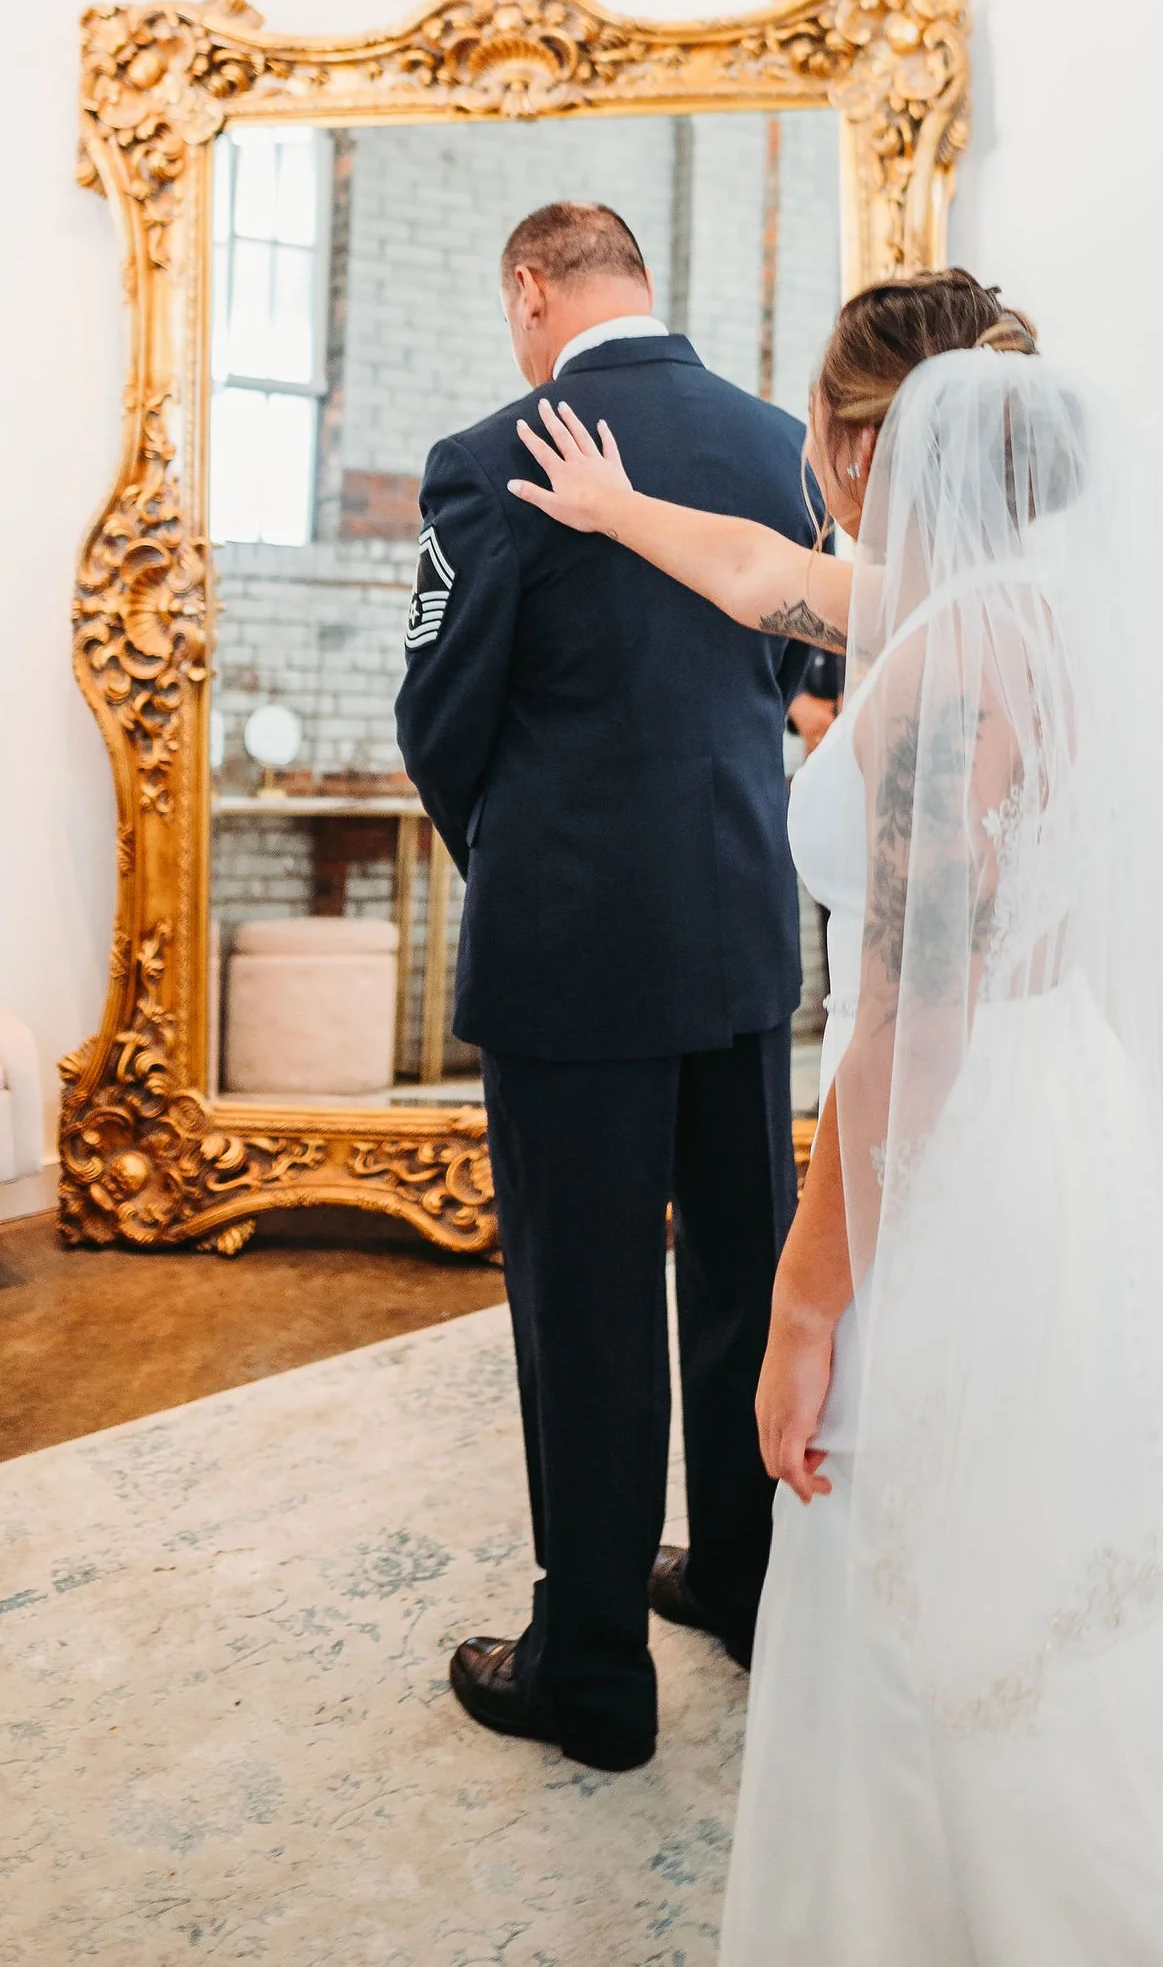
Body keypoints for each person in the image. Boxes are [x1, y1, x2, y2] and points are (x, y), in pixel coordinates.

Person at [508, 266, 1163, 1965]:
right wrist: (616, 506)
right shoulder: (999, 613)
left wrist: (799, 1308)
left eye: (814, 413)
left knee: (907, 1552)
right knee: (1045, 1546)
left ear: (862, 444)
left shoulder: (943, 672)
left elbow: (912, 1023)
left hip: (951, 1144)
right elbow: (764, 573)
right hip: (1051, 1106)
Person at [394, 199, 820, 1776]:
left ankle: (589, 1669)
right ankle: (742, 1577)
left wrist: (517, 852)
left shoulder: (488, 455)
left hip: (573, 946)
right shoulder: (776, 441)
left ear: (530, 292)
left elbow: (440, 711)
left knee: (583, 1305)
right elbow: (784, 664)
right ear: (643, 284)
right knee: (739, 1268)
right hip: (738, 924)